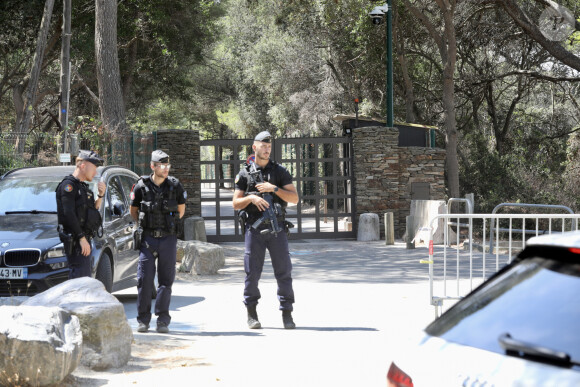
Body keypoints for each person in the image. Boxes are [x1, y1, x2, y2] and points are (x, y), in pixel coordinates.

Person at [233, 131, 299, 329]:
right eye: (263, 145)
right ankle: (252, 314)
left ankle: (287, 314)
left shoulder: (279, 171)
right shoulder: (244, 173)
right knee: (252, 274)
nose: (267, 149)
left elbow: (294, 199)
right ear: (254, 148)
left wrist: (274, 189)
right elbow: (236, 203)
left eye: (269, 146)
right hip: (254, 230)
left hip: (277, 229)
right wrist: (251, 198)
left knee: (284, 272)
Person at [130, 149, 186, 334]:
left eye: (167, 165)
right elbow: (134, 210)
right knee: (145, 280)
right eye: (162, 165)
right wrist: (143, 226)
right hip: (148, 238)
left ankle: (162, 320)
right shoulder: (141, 186)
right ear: (152, 166)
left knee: (166, 281)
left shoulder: (175, 186)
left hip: (168, 238)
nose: (166, 169)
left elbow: (181, 210)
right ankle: (143, 320)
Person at [56, 149, 106, 279]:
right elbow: (69, 214)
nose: (95, 172)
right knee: (80, 280)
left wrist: (100, 195)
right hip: (76, 241)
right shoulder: (68, 186)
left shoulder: (82, 187)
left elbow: (91, 211)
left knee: (84, 278)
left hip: (84, 239)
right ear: (82, 165)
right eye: (94, 168)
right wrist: (81, 238)